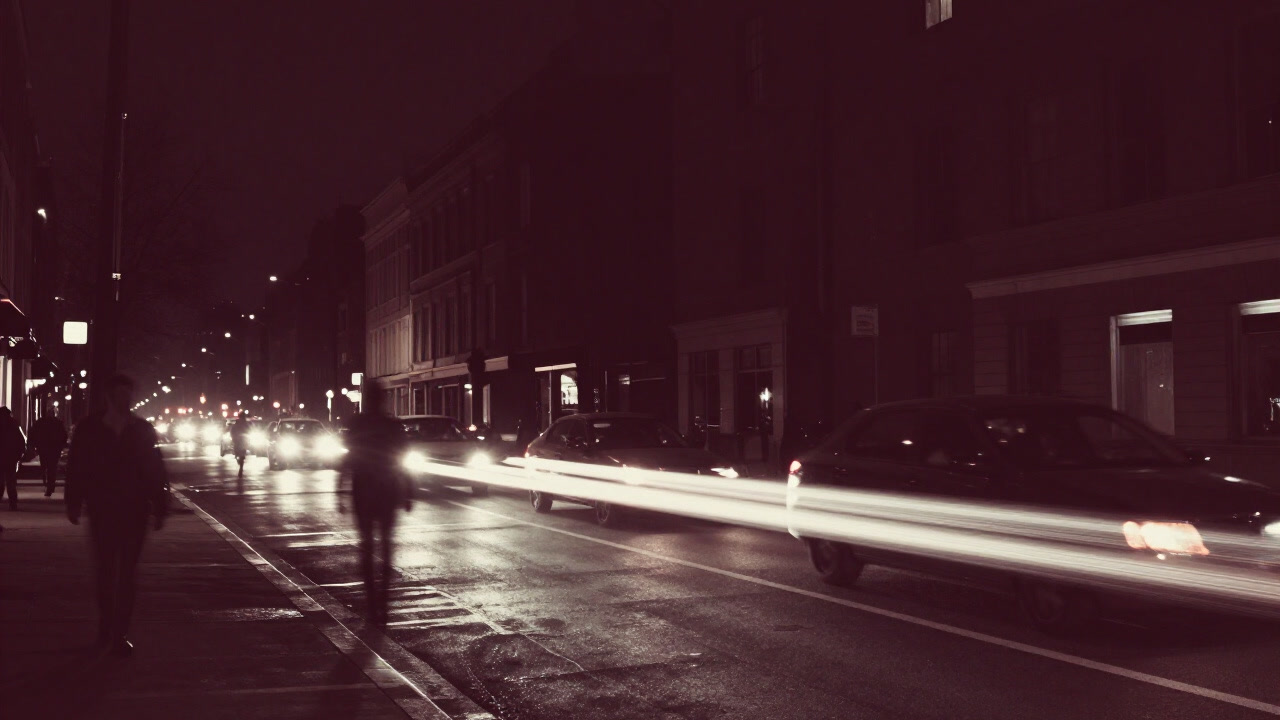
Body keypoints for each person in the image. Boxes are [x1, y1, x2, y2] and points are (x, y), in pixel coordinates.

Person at [65, 374, 168, 656]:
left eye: (129, 395)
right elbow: (77, 466)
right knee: (106, 570)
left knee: (127, 573)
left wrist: (160, 505)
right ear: (109, 397)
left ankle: (119, 632)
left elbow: (155, 470)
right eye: (121, 395)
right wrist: (73, 501)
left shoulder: (141, 429)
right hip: (103, 508)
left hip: (134, 509)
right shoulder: (89, 429)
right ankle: (106, 627)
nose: (126, 401)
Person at [339, 383, 411, 628]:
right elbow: (402, 460)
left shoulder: (358, 424)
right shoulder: (392, 426)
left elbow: (349, 458)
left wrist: (340, 490)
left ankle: (372, 605)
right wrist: (409, 491)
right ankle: (383, 604)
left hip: (363, 492)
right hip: (387, 491)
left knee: (367, 547)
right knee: (386, 548)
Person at [28, 411, 69, 497]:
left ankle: (47, 483)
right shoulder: (58, 423)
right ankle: (50, 484)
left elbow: (32, 433)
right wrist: (61, 445)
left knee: (45, 466)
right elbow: (64, 435)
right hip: (54, 449)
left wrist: (34, 444)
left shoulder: (40, 422)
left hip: (44, 448)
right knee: (52, 467)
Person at [0, 407, 27, 510]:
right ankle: (12, 502)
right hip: (10, 457)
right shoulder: (14, 425)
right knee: (11, 480)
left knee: (1, 479)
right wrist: (19, 454)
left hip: (2, 456)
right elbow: (20, 441)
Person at [230, 411, 252, 476]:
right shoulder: (245, 423)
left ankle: (240, 464)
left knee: (238, 453)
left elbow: (232, 431)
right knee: (241, 454)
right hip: (242, 440)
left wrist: (233, 437)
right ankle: (241, 465)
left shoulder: (239, 423)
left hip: (239, 440)